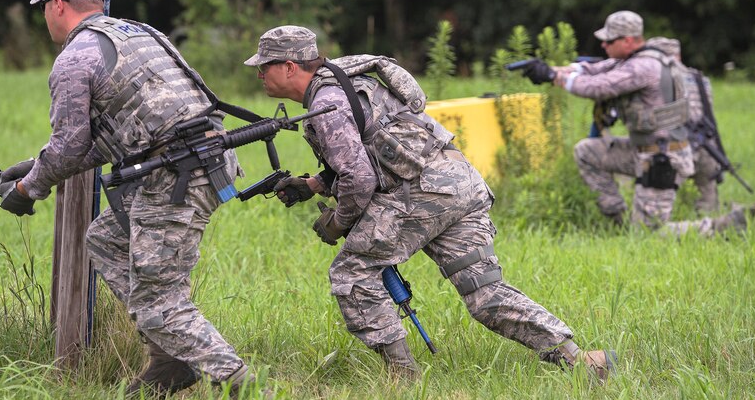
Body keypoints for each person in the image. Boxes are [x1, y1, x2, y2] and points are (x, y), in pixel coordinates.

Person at [243, 25, 616, 381]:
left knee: (352, 274)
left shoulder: (326, 104)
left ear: (290, 67)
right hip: (458, 185)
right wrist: (313, 185)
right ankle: (581, 360)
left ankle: (403, 377)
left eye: (264, 66)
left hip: (419, 194)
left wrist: (337, 224)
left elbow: (359, 179)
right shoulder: (347, 80)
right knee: (484, 291)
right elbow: (373, 152)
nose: (259, 75)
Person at [0, 0, 262, 400]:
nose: (45, 16)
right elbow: (121, 134)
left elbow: (71, 145)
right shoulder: (142, 34)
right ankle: (169, 361)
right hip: (206, 161)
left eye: (45, 7)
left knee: (158, 300)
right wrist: (34, 165)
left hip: (175, 178)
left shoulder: (74, 59)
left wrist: (27, 190)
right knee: (107, 238)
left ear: (57, 4)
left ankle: (244, 388)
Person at [521, 10, 755, 235]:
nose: (603, 45)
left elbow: (599, 86)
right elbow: (592, 69)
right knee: (586, 151)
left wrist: (555, 77)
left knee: (649, 233)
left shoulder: (643, 66)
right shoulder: (636, 59)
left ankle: (727, 225)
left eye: (609, 40)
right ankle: (617, 221)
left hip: (662, 158)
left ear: (628, 40)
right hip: (643, 152)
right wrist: (549, 70)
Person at [645, 37, 722, 213]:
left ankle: (665, 231)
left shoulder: (659, 79)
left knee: (661, 201)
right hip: (708, 147)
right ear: (678, 55)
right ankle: (713, 232)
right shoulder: (700, 78)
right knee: (708, 201)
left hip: (678, 146)